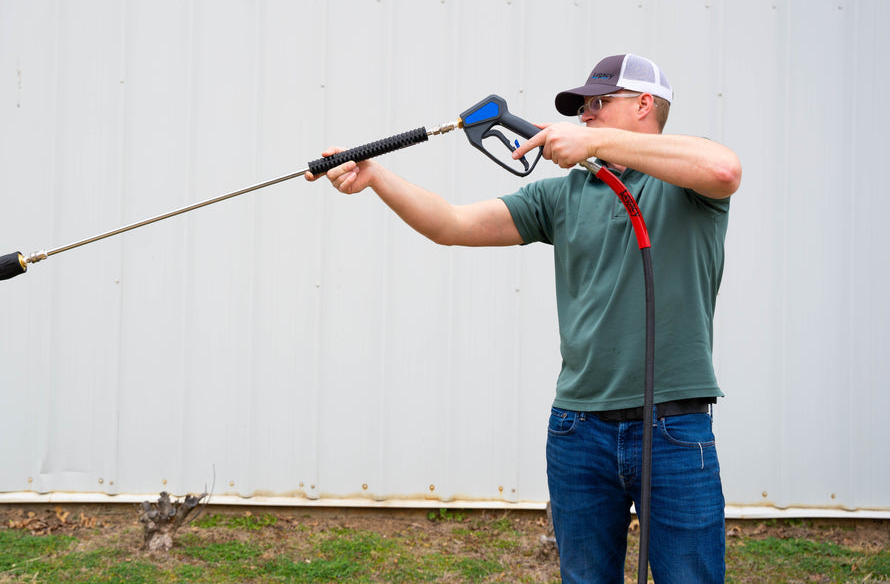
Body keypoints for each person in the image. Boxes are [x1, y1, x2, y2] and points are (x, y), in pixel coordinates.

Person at [307, 54, 742, 583]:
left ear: (645, 105)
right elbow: (451, 224)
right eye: (582, 110)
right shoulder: (561, 194)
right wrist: (376, 176)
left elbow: (724, 170)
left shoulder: (689, 184)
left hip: (674, 428)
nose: (586, 117)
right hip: (578, 429)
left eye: (598, 104)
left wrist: (598, 145)